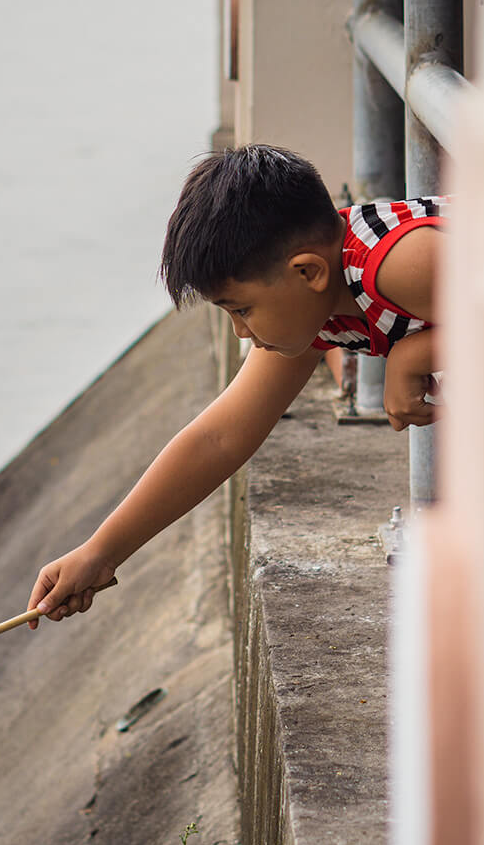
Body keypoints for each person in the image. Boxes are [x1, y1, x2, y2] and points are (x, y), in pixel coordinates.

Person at [27, 145, 448, 626]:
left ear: (308, 272)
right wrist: (101, 553)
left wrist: (412, 354)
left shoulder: (400, 265)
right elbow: (220, 436)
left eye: (241, 309)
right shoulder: (317, 297)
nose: (240, 333)